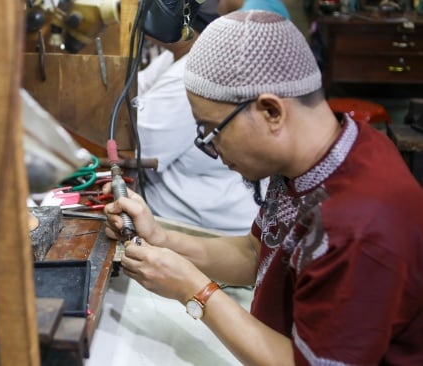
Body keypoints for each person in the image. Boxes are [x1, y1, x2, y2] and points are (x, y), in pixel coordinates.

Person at [105, 10, 423, 365]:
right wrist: (162, 238)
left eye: (212, 130)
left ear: (271, 111)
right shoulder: (319, 155)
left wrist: (194, 291)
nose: (211, 148)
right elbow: (258, 254)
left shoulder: (358, 228)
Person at [137, 0, 289, 235]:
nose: (214, 149)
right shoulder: (183, 61)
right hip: (200, 224)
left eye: (209, 130)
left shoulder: (195, 70)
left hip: (211, 226)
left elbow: (143, 147)